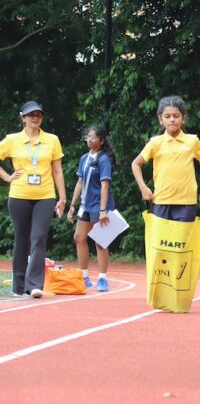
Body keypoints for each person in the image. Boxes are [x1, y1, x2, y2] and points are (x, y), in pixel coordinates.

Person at [0, 101, 66, 299]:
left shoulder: (52, 140)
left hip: (45, 196)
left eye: (39, 115)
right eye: (31, 115)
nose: (35, 118)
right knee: (21, 240)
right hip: (19, 195)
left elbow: (57, 170)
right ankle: (18, 286)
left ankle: (34, 285)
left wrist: (62, 197)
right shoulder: (12, 140)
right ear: (23, 118)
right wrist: (7, 177)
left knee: (39, 238)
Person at [131, 95, 200, 221]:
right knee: (161, 235)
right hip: (161, 201)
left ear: (183, 118)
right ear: (161, 119)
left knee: (184, 235)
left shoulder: (192, 141)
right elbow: (136, 164)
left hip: (186, 202)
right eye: (167, 116)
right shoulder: (155, 143)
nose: (172, 120)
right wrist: (143, 188)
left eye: (176, 116)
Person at [66, 125, 116, 292]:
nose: (89, 139)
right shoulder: (84, 158)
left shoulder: (103, 160)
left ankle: (102, 278)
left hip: (99, 205)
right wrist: (72, 205)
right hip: (85, 205)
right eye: (87, 136)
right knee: (79, 237)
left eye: (93, 137)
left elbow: (105, 186)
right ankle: (84, 276)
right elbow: (80, 182)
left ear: (101, 141)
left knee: (100, 241)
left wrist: (102, 210)